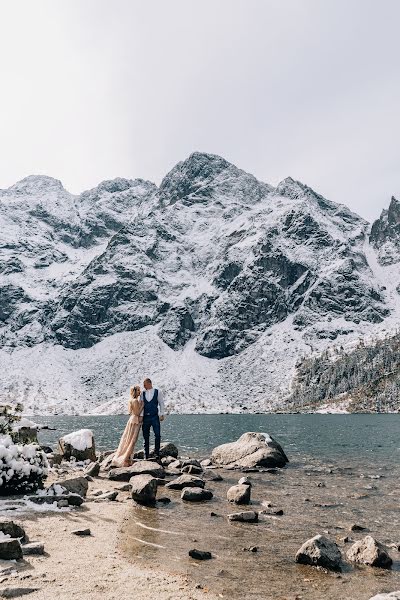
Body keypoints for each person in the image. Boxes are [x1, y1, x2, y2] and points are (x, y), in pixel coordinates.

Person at [111, 385, 144, 467]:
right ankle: (125, 459)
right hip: (135, 421)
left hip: (131, 420)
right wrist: (142, 406)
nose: (140, 392)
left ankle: (126, 457)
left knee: (127, 439)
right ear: (136, 392)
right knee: (132, 440)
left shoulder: (131, 400)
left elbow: (131, 412)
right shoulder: (135, 401)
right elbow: (137, 413)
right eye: (139, 390)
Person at [141, 378, 165, 460]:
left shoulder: (158, 392)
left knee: (157, 435)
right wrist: (141, 416)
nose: (143, 386)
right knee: (145, 436)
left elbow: (161, 403)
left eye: (145, 384)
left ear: (149, 383)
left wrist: (162, 414)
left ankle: (157, 453)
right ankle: (146, 454)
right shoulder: (142, 393)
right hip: (145, 417)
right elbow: (141, 406)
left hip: (155, 417)